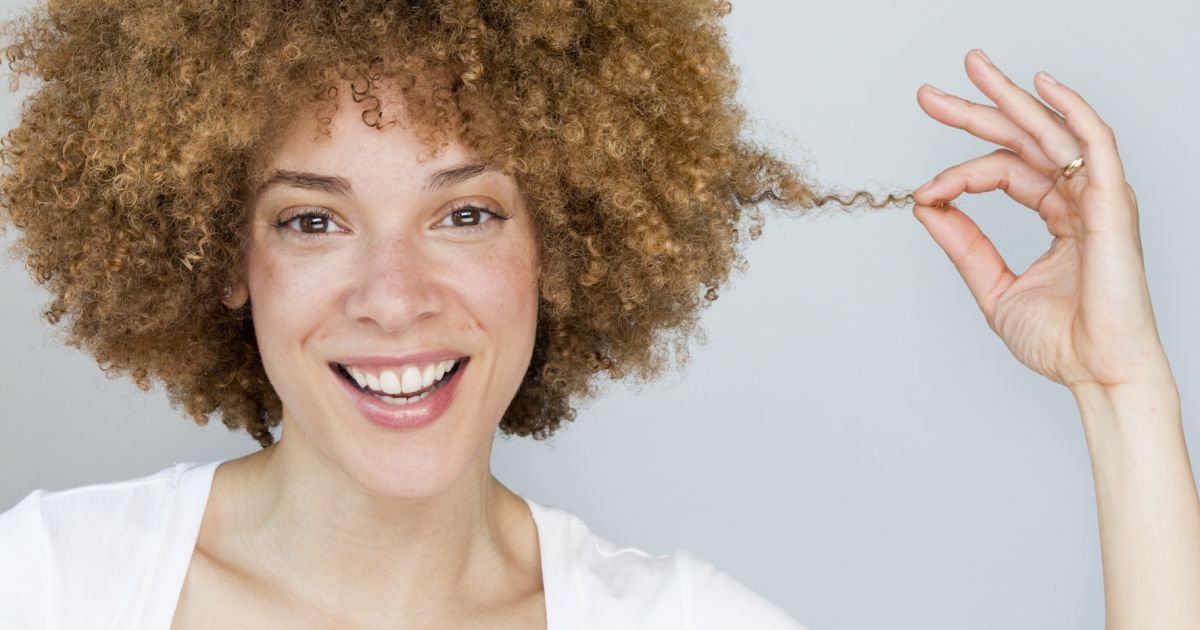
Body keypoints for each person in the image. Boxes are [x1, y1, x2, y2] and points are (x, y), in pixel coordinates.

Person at [0, 2, 1196, 629]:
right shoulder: (48, 588)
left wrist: (1120, 389)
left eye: (466, 213)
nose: (397, 295)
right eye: (313, 221)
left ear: (559, 242)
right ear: (221, 253)